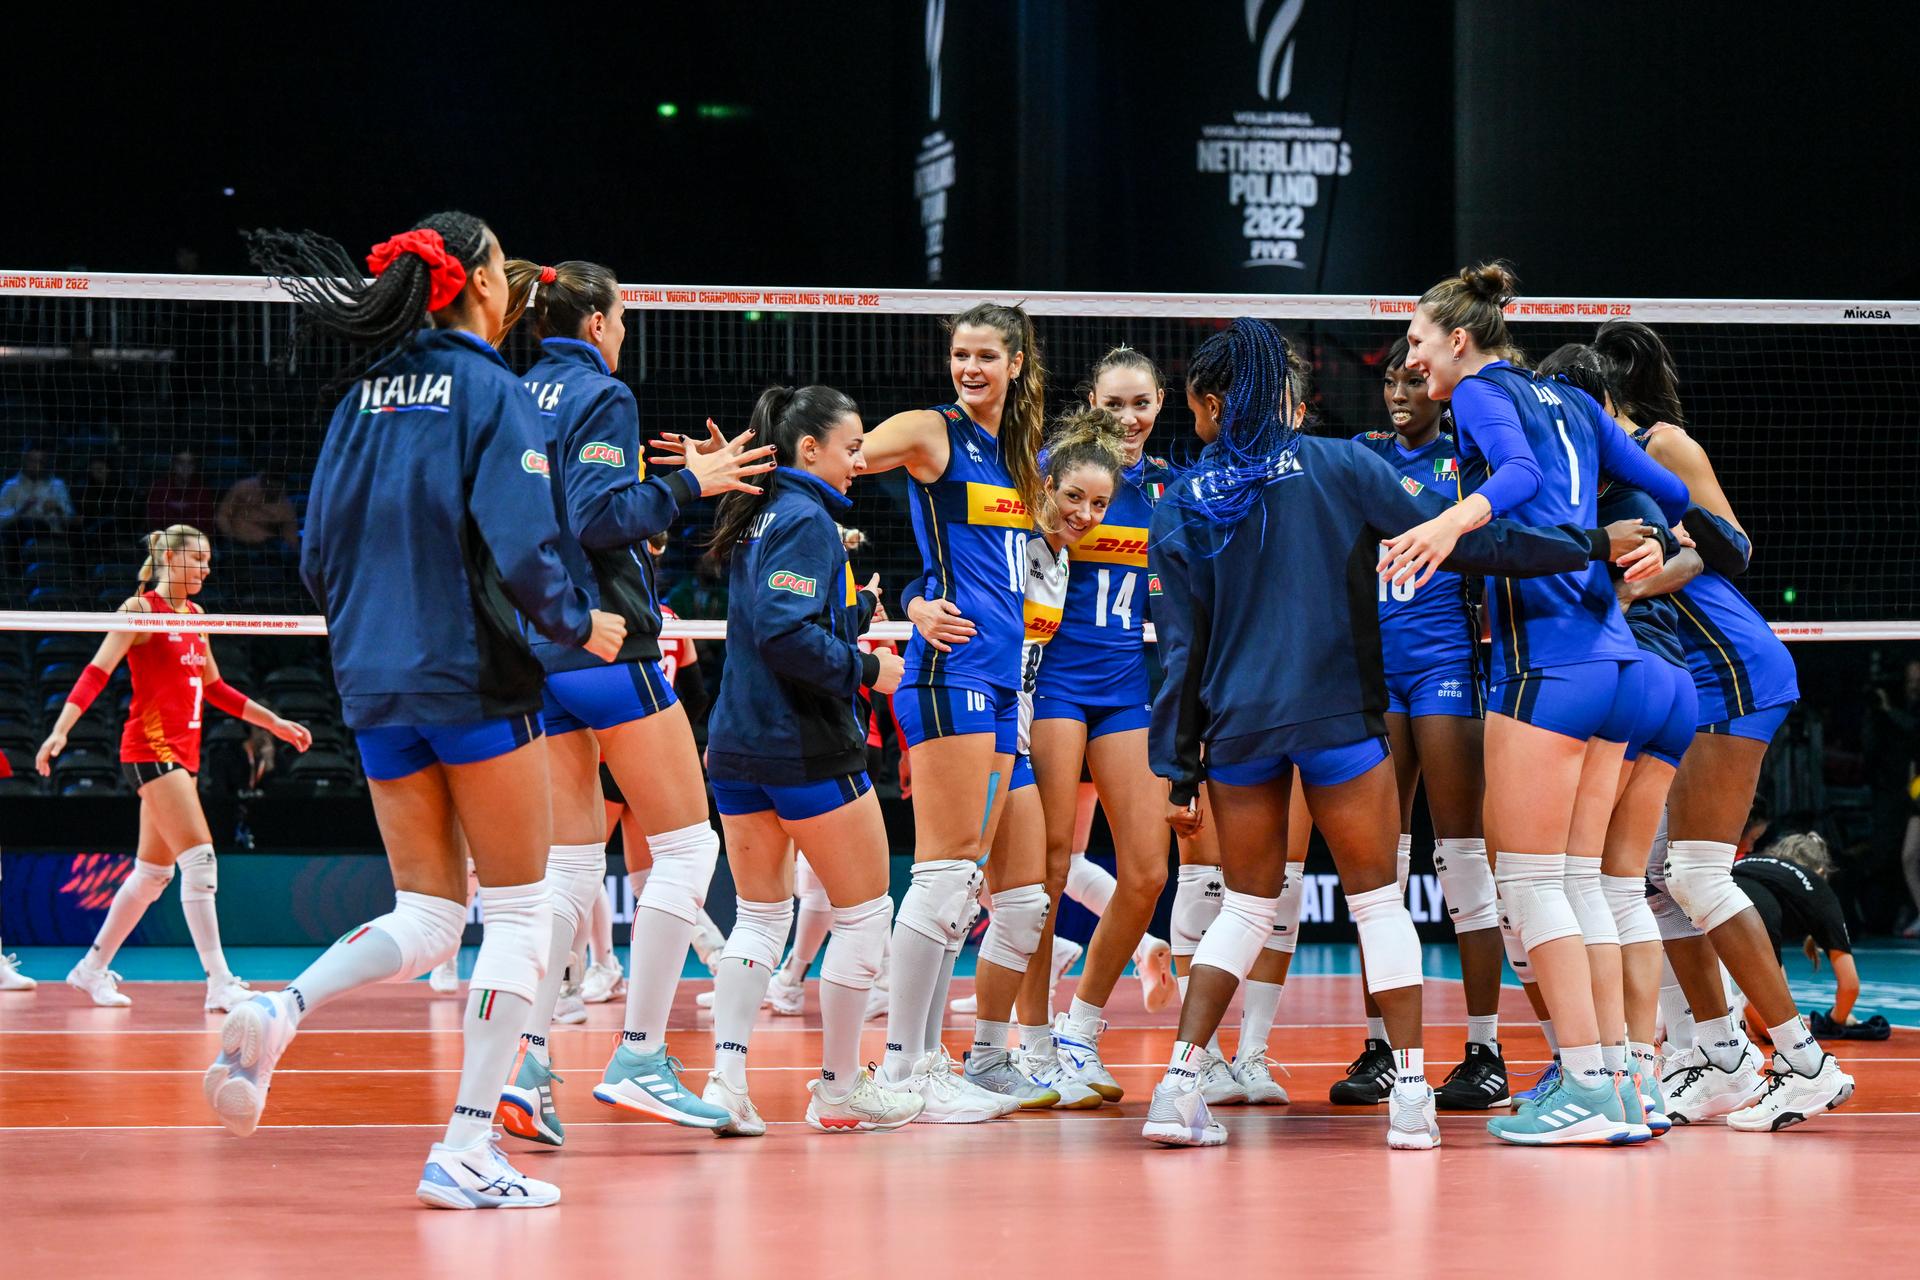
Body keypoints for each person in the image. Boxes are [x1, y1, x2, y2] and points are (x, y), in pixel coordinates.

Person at [1144, 315, 1658, 1150]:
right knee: (1379, 900)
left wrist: (1176, 771)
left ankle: (1176, 1089)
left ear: (1207, 403)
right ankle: (1413, 1097)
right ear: (1283, 399)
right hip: (1341, 719)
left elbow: (1179, 655)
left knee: (1245, 904)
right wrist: (1593, 542)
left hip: (1237, 730)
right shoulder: (1347, 464)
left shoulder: (1182, 504)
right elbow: (1478, 543)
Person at [205, 213, 625, 1210]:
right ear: (481, 280)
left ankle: (283, 1002)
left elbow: (314, 552)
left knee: (433, 912)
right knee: (520, 911)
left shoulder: (359, 398)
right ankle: (467, 1149)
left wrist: (370, 635)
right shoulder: (494, 389)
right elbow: (526, 546)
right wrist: (580, 625)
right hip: (470, 677)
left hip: (370, 678)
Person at [1391, 265, 1689, 1146]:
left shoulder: (1483, 391)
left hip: (1546, 665)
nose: (1411, 361)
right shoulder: (1576, 402)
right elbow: (1668, 493)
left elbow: (1517, 472)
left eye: (1417, 343)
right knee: (1586, 884)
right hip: (1614, 659)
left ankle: (1592, 1088)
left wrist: (1452, 522)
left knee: (1531, 885)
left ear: (1459, 339)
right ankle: (1627, 1083)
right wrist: (1657, 542)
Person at [487, 258, 773, 1146]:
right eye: (623, 317)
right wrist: (698, 482)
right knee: (688, 849)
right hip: (606, 644)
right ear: (605, 320)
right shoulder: (600, 394)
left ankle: (526, 1060)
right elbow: (597, 516)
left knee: (571, 869)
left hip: (531, 646)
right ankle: (639, 1055)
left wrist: (666, 492)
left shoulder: (506, 390)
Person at [1589, 319, 1855, 1130]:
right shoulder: (1597, 460)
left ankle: (1804, 1061)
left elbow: (1725, 544)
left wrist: (1640, 584)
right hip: (1686, 679)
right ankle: (1724, 1055)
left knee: (1700, 873)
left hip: (1734, 666)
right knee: (1660, 880)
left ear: (1607, 384)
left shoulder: (1661, 444)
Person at [699, 383, 923, 1134]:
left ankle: (726, 1085)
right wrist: (869, 670)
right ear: (808, 449)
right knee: (866, 917)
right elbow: (784, 635)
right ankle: (836, 1088)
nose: (862, 461)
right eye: (853, 447)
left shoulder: (760, 515)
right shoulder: (804, 519)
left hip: (737, 745)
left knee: (760, 919)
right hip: (801, 744)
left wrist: (855, 614)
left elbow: (780, 618)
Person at [856, 302, 1049, 1122]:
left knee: (972, 882)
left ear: (1015, 363)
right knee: (941, 874)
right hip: (953, 672)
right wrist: (911, 602)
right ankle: (903, 1069)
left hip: (1006, 680)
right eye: (960, 354)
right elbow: (840, 461)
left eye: (985, 356)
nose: (970, 368)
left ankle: (929, 1063)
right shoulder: (933, 433)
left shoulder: (1024, 456)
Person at [908, 407, 1126, 1108]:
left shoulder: (1060, 560)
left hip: (1016, 724)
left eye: (1099, 503)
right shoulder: (1004, 537)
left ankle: (988, 1058)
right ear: (1042, 487)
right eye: (1072, 497)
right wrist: (915, 604)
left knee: (1027, 902)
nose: (1085, 514)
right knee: (952, 886)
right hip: (968, 707)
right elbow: (935, 573)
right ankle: (910, 1061)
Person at [1331, 337, 1510, 1111]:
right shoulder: (1362, 457)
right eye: (1390, 384)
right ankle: (1381, 1047)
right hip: (1378, 678)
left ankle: (1485, 1049)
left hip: (1443, 671)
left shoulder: (1465, 467)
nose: (1399, 393)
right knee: (1381, 871)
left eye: (1413, 380)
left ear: (1440, 387)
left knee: (1465, 866)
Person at [1531, 341, 1704, 1135]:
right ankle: (1642, 1079)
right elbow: (1715, 545)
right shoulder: (1640, 475)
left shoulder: (1566, 483)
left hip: (1613, 674)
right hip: (1671, 683)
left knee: (1568, 884)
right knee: (1621, 886)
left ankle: (1593, 1078)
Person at [38, 524, 312, 1011]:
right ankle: (220, 982)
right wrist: (61, 729)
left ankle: (91, 968)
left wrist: (274, 722)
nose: (207, 568)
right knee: (200, 860)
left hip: (182, 754)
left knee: (152, 875)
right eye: (198, 559)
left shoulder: (197, 616)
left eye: (209, 560)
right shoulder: (140, 610)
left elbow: (217, 688)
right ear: (169, 559)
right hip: (149, 749)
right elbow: (96, 671)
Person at [1029, 351, 1189, 1098]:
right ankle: (1028, 1042)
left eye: (1143, 404)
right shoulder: (1048, 469)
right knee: (1049, 867)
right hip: (1056, 683)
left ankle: (1080, 1030)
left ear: (1162, 404)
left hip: (1126, 687)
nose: (1130, 418)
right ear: (1091, 399)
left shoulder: (1164, 490)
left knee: (1149, 871)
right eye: (1115, 403)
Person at [1731, 833, 1861, 1027]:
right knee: (1783, 1031)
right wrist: (1835, 1021)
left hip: (1694, 914)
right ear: (1819, 871)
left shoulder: (1747, 862)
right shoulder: (1814, 885)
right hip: (1745, 931)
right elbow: (1850, 986)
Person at [215, 470, 299, 549]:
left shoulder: (286, 506)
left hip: (266, 547)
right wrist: (229, 536)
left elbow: (290, 535)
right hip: (235, 543)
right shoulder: (243, 488)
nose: (273, 491)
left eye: (277, 488)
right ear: (263, 481)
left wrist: (293, 549)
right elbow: (223, 514)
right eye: (270, 486)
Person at [0, 446, 74, 534]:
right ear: (24, 460)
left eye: (40, 461)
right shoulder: (10, 486)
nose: (36, 465)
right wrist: (21, 510)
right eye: (32, 461)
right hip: (17, 540)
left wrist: (58, 508)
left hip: (51, 539)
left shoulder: (57, 485)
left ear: (46, 463)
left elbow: (71, 519)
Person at [146, 449, 215, 533]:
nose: (185, 467)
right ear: (174, 464)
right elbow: (154, 518)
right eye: (181, 462)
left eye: (190, 463)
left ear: (195, 466)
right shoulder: (160, 487)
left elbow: (205, 521)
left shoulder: (203, 490)